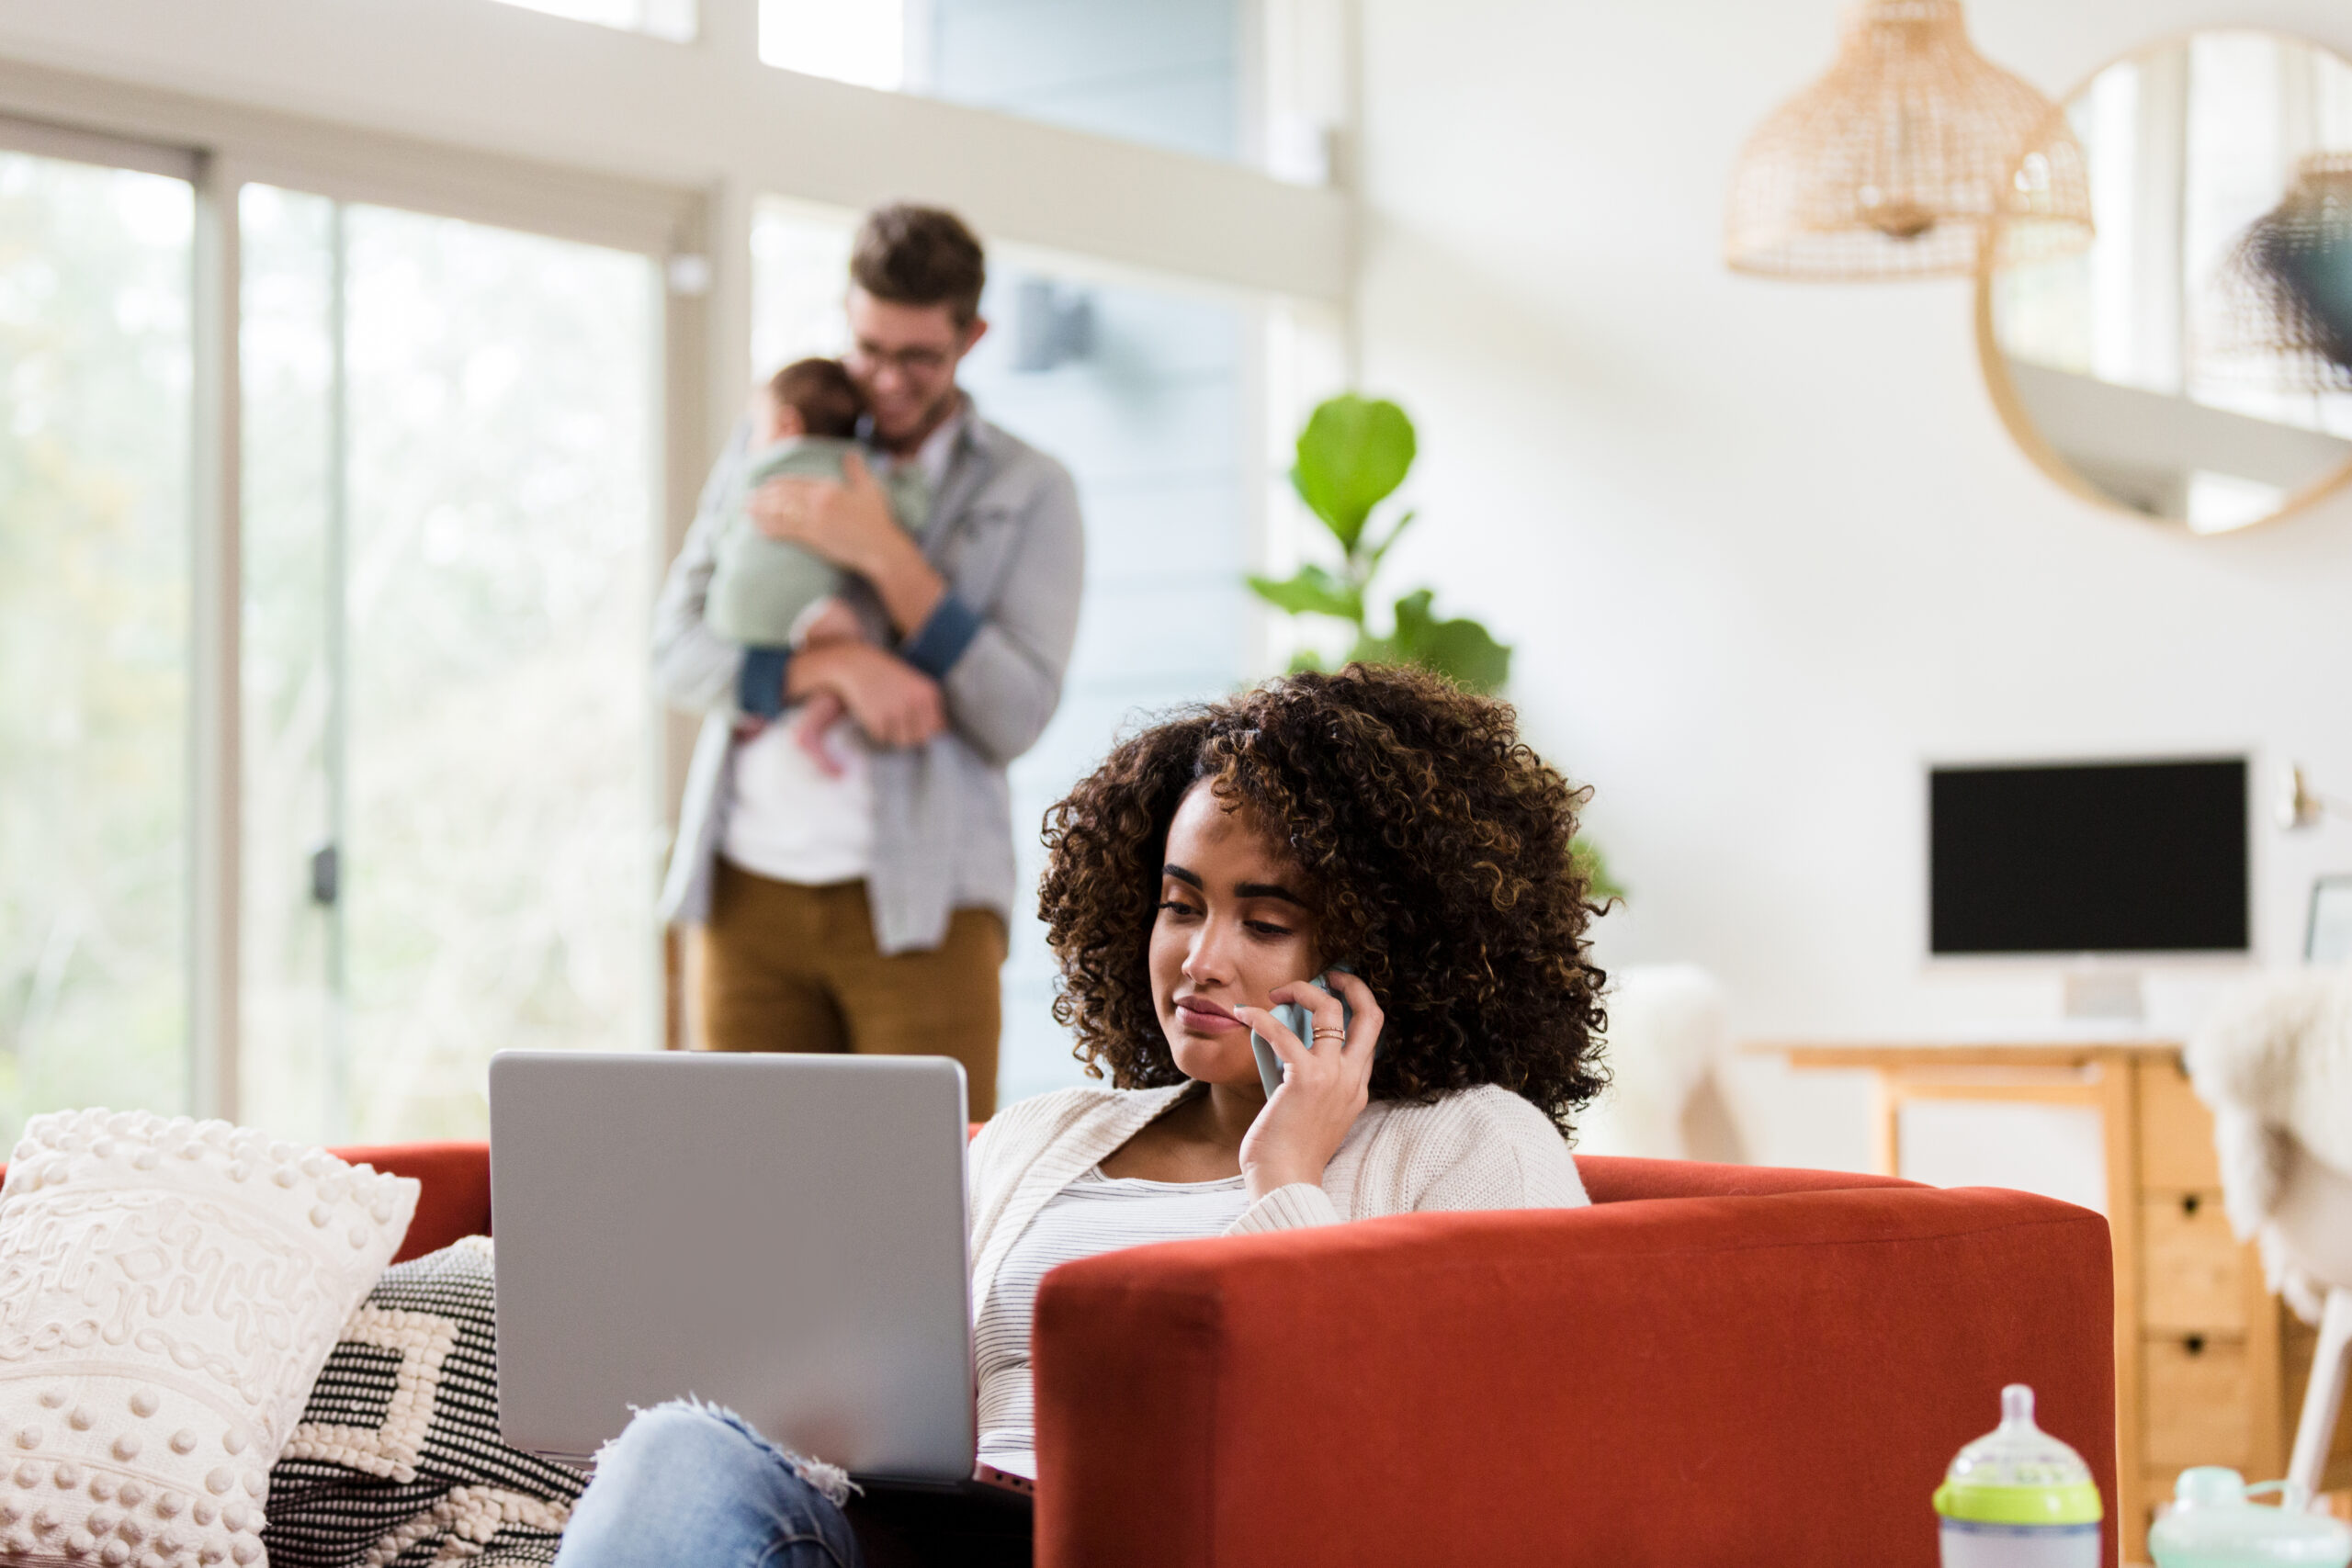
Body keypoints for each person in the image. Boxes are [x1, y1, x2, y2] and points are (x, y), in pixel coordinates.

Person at [558, 663, 1613, 1568]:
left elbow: (1401, 1475)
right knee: (676, 1449)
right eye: (1180, 902)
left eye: (1267, 919)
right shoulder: (1039, 1136)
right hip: (932, 1538)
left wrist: (1284, 1175)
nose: (1199, 959)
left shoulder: (1474, 1142)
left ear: (1385, 954)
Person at [655, 205, 1085, 1118]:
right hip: (741, 893)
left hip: (924, 907)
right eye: (868, 349)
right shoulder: (771, 437)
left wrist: (887, 557)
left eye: (918, 358)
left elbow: (1014, 715)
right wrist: (838, 672)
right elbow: (675, 650)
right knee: (738, 1187)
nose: (887, 381)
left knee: (921, 1205)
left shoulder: (1028, 490)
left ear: (972, 337)